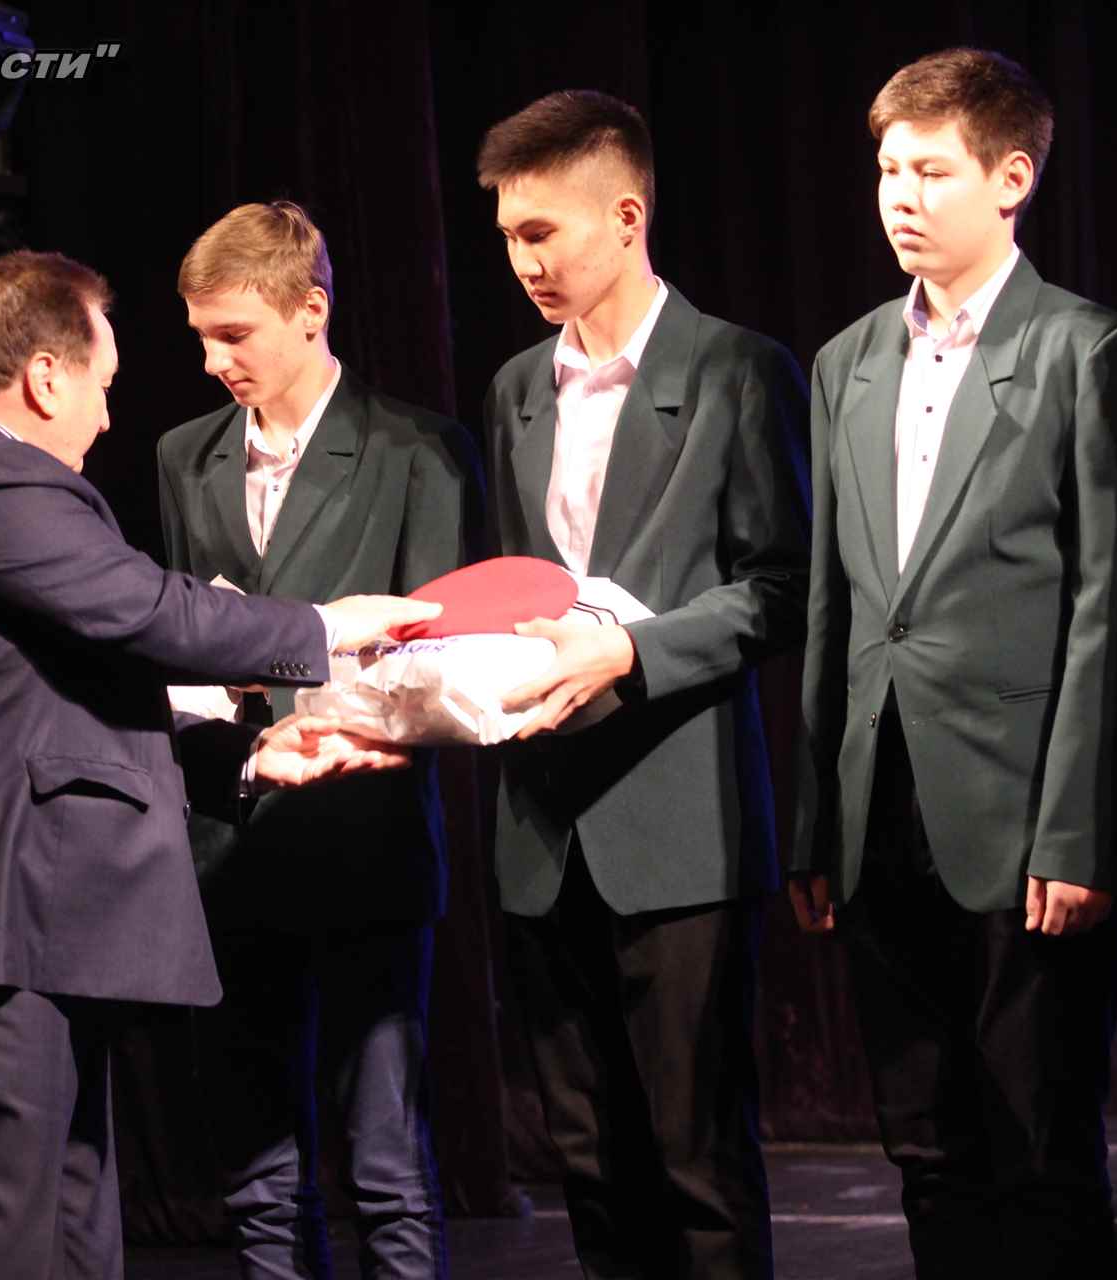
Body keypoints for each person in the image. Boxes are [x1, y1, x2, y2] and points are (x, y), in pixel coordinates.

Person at [0, 249, 438, 1279]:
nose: (106, 419)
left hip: (18, 932)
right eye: (102, 386)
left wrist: (247, 752)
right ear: (45, 377)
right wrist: (326, 626)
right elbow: (143, 610)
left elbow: (63, 691)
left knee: (68, 1240)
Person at [787, 50, 1117, 1278]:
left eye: (931, 170)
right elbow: (836, 604)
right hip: (879, 808)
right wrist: (817, 818)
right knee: (924, 1144)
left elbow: (1108, 603)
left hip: (1023, 810)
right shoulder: (846, 360)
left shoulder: (1087, 349)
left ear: (1012, 179)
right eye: (888, 168)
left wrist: (1081, 828)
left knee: (1040, 1146)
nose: (901, 194)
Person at [476, 90, 809, 1279]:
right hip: (544, 820)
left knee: (696, 1156)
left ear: (626, 216)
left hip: (678, 821)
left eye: (543, 232)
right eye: (508, 236)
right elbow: (521, 582)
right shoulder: (516, 388)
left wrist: (631, 648)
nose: (524, 261)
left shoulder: (735, 369)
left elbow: (782, 587)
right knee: (589, 1162)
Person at [157, 201, 478, 1278]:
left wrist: (291, 673)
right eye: (201, 336)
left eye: (234, 334)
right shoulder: (184, 456)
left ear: (311, 310)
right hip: (232, 838)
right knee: (257, 1169)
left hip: (362, 832)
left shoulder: (415, 449)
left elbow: (435, 652)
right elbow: (183, 637)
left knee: (385, 1158)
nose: (214, 361)